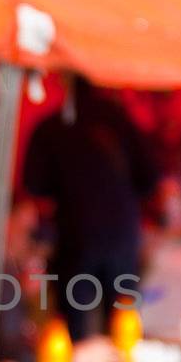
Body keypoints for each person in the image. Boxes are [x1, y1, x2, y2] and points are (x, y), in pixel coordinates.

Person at [22, 82, 159, 339]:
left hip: (75, 235)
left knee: (73, 328)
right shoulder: (122, 123)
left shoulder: (52, 125)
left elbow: (33, 184)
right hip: (121, 237)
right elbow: (150, 178)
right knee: (122, 325)